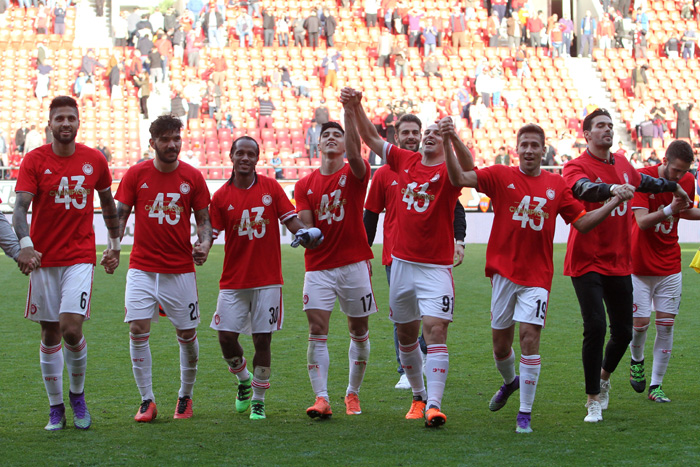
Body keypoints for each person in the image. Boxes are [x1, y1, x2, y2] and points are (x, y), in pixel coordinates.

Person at [443, 122, 622, 433]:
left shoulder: (557, 184)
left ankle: (524, 414)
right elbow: (459, 177)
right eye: (524, 144)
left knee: (529, 338)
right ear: (516, 149)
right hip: (503, 275)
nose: (529, 150)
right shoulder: (501, 175)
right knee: (501, 347)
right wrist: (450, 139)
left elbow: (581, 223)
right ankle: (510, 382)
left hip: (537, 277)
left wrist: (614, 201)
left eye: (534, 145)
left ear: (543, 150)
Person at [342, 87, 469, 428]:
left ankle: (435, 405)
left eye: (434, 133)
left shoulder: (450, 173)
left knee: (436, 330)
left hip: (436, 268)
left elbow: (468, 167)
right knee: (406, 335)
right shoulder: (403, 161)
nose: (427, 136)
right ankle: (418, 396)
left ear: (443, 143)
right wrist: (356, 106)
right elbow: (370, 138)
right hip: (400, 264)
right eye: (426, 133)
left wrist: (453, 137)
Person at [562, 108, 691, 423]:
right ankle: (593, 398)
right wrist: (611, 190)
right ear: (587, 134)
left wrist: (672, 187)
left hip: (619, 261)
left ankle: (604, 379)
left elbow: (644, 181)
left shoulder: (622, 163)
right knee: (595, 326)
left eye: (610, 125)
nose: (607, 129)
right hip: (586, 260)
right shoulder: (575, 166)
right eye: (600, 126)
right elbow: (581, 188)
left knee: (623, 332)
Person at [13, 96, 121, 430]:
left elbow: (108, 204)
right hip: (43, 259)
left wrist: (115, 246)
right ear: (50, 124)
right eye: (59, 118)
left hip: (79, 257)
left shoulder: (94, 159)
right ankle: (56, 407)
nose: (65, 123)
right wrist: (26, 247)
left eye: (70, 118)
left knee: (71, 329)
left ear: (78, 123)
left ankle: (77, 396)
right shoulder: (34, 160)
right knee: (50, 333)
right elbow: (20, 209)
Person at [209, 136, 320, 420]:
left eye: (251, 154)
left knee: (262, 341)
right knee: (225, 338)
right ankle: (243, 378)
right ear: (231, 156)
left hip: (268, 279)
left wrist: (303, 233)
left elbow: (290, 219)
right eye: (240, 153)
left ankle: (258, 399)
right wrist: (202, 247)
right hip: (233, 280)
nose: (245, 158)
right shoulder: (220, 196)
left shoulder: (271, 187)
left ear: (257, 158)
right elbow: (210, 232)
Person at [114, 114, 213, 422]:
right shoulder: (136, 174)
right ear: (152, 143)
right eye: (165, 139)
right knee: (137, 329)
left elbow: (204, 221)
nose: (172, 144)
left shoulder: (192, 177)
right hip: (142, 268)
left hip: (180, 270)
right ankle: (147, 400)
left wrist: (205, 244)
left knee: (187, 333)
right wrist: (114, 247)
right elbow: (119, 216)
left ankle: (185, 396)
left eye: (176, 139)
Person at [363, 113, 467, 390]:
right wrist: (363, 252)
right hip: (395, 258)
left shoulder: (442, 170)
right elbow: (371, 214)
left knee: (432, 320)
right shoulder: (385, 172)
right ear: (396, 137)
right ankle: (405, 369)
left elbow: (456, 208)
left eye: (415, 132)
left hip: (432, 259)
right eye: (405, 132)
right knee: (404, 322)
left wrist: (460, 239)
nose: (411, 136)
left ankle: (423, 359)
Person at [295, 120, 376, 419]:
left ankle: (352, 393)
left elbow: (356, 156)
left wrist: (349, 112)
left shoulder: (356, 172)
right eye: (325, 135)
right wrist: (306, 235)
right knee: (317, 330)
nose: (331, 138)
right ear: (318, 145)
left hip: (354, 265)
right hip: (318, 267)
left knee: (359, 330)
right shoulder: (304, 184)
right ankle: (322, 398)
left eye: (337, 135)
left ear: (345, 144)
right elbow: (308, 225)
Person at [629, 140, 700, 403]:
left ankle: (656, 385)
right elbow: (642, 221)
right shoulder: (643, 178)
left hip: (670, 263)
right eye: (675, 170)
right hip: (638, 264)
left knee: (667, 326)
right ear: (664, 161)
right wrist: (671, 208)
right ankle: (637, 360)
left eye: (684, 171)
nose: (679, 176)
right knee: (640, 326)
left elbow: (685, 211)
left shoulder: (688, 180)